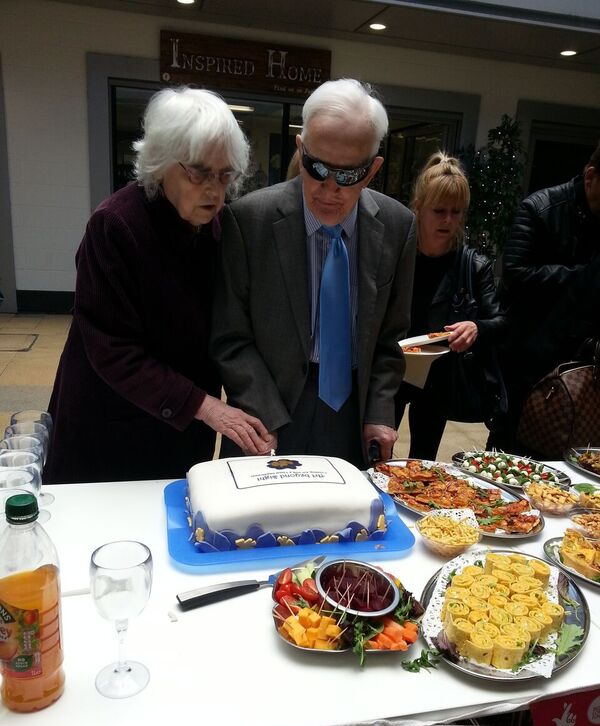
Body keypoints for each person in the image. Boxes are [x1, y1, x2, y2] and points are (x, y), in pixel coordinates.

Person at [44, 87, 271, 484]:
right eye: (198, 171)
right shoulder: (116, 225)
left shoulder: (217, 227)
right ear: (162, 161)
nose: (214, 190)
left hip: (182, 427)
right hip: (109, 425)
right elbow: (112, 351)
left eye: (224, 175)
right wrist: (205, 406)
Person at [211, 78, 416, 467]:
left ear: (372, 170)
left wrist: (379, 411)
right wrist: (263, 413)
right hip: (267, 409)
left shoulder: (397, 226)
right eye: (317, 167)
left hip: (352, 414)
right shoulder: (248, 220)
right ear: (300, 150)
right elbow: (230, 336)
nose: (329, 188)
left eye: (349, 175)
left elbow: (391, 340)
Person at [394, 152, 507, 460]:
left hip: (439, 376)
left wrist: (476, 326)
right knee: (377, 450)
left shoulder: (473, 265)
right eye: (439, 211)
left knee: (423, 461)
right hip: (392, 368)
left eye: (456, 212)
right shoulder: (396, 255)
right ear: (418, 208)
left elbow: (500, 321)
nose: (448, 220)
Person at [491, 142, 600, 453]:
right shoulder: (540, 208)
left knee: (574, 456)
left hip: (582, 361)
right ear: (591, 176)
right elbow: (514, 274)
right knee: (509, 455)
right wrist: (581, 275)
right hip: (528, 360)